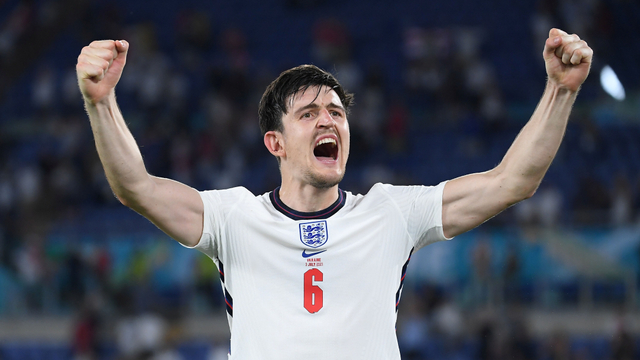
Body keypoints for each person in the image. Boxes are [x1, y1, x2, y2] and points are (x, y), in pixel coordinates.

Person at [76, 28, 592, 359]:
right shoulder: (233, 218)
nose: (330, 120)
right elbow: (135, 187)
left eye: (337, 113)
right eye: (310, 114)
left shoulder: (392, 213)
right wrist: (100, 103)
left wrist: (560, 91)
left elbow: (512, 181)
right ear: (274, 143)